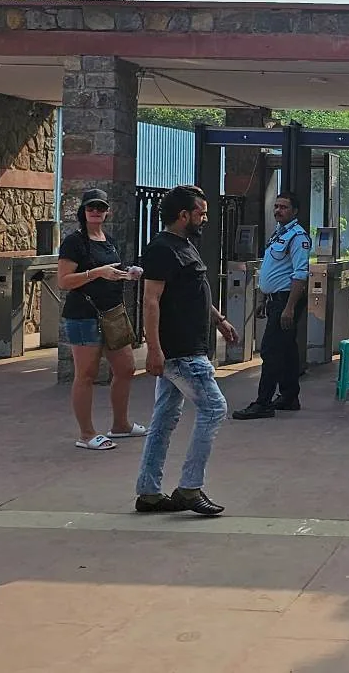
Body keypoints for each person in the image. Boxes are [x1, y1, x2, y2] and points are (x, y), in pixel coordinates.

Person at [134, 184, 239, 515]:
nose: (205, 219)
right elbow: (150, 301)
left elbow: (194, 290)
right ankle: (190, 488)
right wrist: (154, 350)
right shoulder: (162, 249)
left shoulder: (184, 246)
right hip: (180, 352)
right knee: (214, 408)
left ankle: (149, 492)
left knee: (164, 417)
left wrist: (219, 320)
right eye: (201, 213)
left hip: (186, 348)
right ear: (183, 215)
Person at [55, 189, 144, 451]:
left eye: (100, 207)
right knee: (87, 373)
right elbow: (64, 281)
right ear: (83, 211)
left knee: (126, 368)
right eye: (91, 207)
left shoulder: (109, 241)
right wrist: (95, 273)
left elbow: (111, 272)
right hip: (84, 315)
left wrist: (127, 274)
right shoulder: (74, 242)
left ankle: (121, 425)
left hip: (113, 313)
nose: (96, 211)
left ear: (107, 211)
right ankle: (86, 433)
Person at [233, 191, 312, 420]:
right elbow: (271, 271)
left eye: (284, 207)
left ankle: (263, 402)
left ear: (294, 211)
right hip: (274, 299)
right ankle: (289, 396)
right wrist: (262, 299)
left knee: (270, 350)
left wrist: (289, 307)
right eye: (276, 206)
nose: (278, 210)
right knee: (286, 349)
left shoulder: (297, 237)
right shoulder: (279, 235)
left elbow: (300, 274)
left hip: (286, 300)